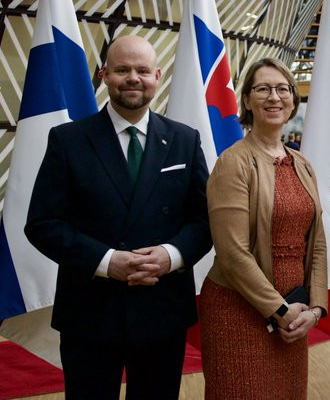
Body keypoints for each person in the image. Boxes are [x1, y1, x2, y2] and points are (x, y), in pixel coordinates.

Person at [24, 35, 212, 399]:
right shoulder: (68, 140)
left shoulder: (184, 140)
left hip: (161, 312)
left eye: (142, 70)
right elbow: (43, 224)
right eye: (122, 69)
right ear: (104, 74)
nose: (133, 78)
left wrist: (171, 256)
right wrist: (108, 262)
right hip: (90, 314)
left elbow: (205, 220)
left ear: (157, 76)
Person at [200, 57, 327, 399]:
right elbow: (231, 253)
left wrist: (314, 310)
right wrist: (279, 310)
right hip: (239, 309)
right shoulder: (233, 162)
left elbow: (316, 244)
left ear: (293, 100)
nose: (274, 97)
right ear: (247, 100)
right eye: (263, 89)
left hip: (295, 313)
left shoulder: (302, 164)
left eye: (283, 89)